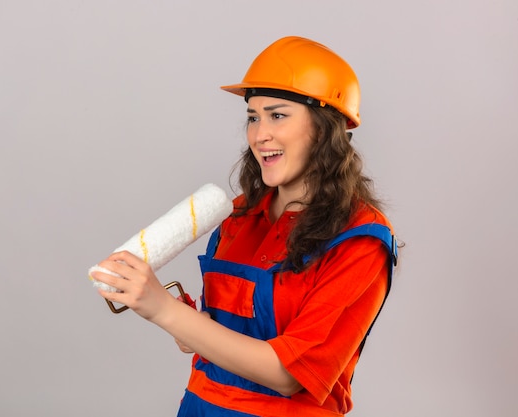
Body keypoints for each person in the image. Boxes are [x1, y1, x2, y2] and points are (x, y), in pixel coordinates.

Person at [92, 35, 398, 417]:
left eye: (278, 115)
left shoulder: (360, 240)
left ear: (325, 128)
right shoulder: (239, 215)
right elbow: (213, 335)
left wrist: (162, 310)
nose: (258, 134)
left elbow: (288, 374)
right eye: (253, 117)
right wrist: (176, 315)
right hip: (199, 407)